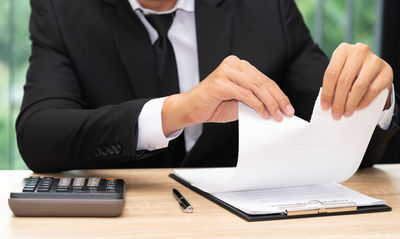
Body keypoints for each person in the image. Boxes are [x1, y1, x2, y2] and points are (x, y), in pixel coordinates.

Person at [16, 0, 399, 172]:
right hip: (117, 238)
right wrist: (176, 111)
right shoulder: (62, 9)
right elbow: (39, 135)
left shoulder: (266, 7)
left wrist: (371, 101)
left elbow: (337, 133)